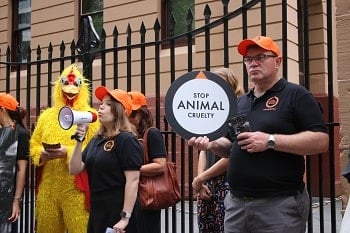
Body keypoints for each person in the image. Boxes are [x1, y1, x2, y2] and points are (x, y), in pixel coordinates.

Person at [188, 36, 329, 233]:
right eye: (248, 59)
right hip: (236, 205)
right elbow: (231, 147)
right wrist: (211, 144)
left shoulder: (296, 95)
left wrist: (271, 141)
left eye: (261, 57)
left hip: (279, 205)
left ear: (278, 61)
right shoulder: (240, 103)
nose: (253, 63)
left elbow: (321, 140)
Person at [29, 64, 100, 233]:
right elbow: (34, 144)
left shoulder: (90, 117)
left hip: (75, 187)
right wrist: (41, 154)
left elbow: (94, 150)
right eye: (66, 85)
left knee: (80, 228)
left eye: (75, 85)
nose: (69, 91)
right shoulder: (46, 116)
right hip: (48, 186)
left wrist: (66, 152)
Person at [69, 86, 145, 233]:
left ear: (120, 111)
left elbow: (133, 181)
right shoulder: (97, 139)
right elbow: (74, 169)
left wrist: (125, 217)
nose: (101, 107)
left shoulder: (127, 140)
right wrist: (79, 140)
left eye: (108, 104)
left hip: (118, 214)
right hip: (98, 212)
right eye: (101, 103)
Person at [192, 67, 243, 233]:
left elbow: (235, 153)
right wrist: (201, 180)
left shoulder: (238, 112)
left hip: (227, 183)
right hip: (207, 184)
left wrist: (202, 178)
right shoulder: (210, 111)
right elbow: (203, 150)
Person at [128, 91, 167, 233]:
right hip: (128, 196)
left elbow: (160, 165)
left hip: (146, 198)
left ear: (142, 114)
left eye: (132, 113)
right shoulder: (125, 136)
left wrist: (132, 170)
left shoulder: (152, 134)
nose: (128, 117)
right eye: (125, 112)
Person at [0, 93, 29, 233]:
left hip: (8, 198)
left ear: (2, 110)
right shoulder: (2, 132)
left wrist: (16, 201)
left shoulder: (21, 133)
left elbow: (21, 169)